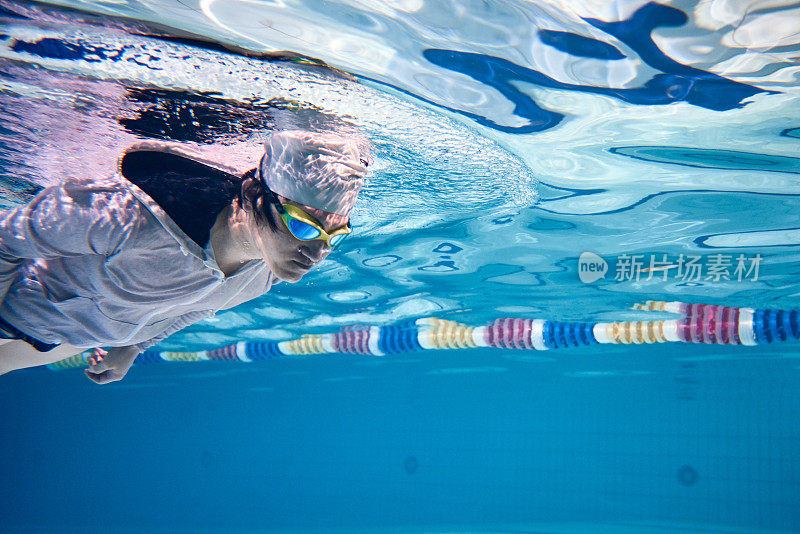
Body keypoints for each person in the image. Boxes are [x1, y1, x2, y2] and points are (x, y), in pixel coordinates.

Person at [0, 129, 370, 383]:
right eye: (305, 227)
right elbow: (8, 238)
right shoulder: (135, 217)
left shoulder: (266, 273)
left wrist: (132, 346)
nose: (318, 253)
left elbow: (194, 307)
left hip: (61, 340)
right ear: (256, 195)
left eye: (335, 237)